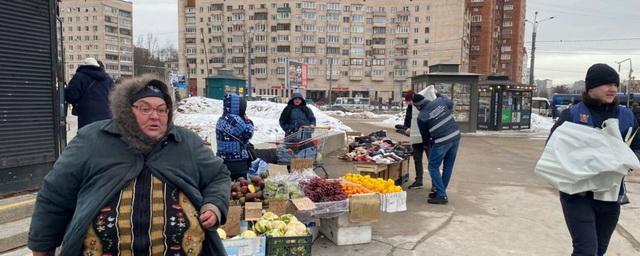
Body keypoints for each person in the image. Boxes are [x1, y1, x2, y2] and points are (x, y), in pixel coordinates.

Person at [28, 76, 231, 255]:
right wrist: (42, 247)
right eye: (145, 108)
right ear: (126, 110)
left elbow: (218, 175)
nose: (155, 116)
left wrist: (213, 206)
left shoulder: (186, 142)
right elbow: (55, 195)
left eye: (162, 110)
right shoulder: (92, 140)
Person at [549, 63, 640, 256]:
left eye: (615, 84)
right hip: (577, 194)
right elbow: (553, 149)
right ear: (591, 88)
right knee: (586, 251)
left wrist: (627, 161)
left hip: (611, 195)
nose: (613, 89)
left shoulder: (627, 116)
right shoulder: (572, 115)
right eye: (607, 84)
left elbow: (637, 148)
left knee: (599, 250)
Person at [414, 92, 461, 204]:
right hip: (455, 137)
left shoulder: (422, 116)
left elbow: (425, 135)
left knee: (432, 166)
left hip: (442, 141)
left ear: (418, 106)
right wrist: (439, 94)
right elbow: (450, 103)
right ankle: (441, 192)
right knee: (448, 166)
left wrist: (426, 145)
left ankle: (441, 195)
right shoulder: (440, 101)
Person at [65, 57, 115, 129]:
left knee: (87, 137)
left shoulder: (79, 77)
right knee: (103, 138)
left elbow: (71, 96)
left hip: (86, 117)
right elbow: (114, 97)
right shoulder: (108, 79)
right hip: (106, 116)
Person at [216, 93, 254, 180]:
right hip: (237, 162)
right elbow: (248, 133)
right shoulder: (234, 120)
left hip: (223, 160)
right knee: (240, 187)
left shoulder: (221, 119)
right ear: (237, 106)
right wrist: (248, 121)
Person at [404, 88, 436, 190]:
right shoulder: (411, 108)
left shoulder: (423, 105)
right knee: (417, 159)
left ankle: (435, 184)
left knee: (432, 161)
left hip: (427, 137)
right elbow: (407, 120)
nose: (408, 103)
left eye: (409, 101)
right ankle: (419, 180)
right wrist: (407, 128)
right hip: (416, 137)